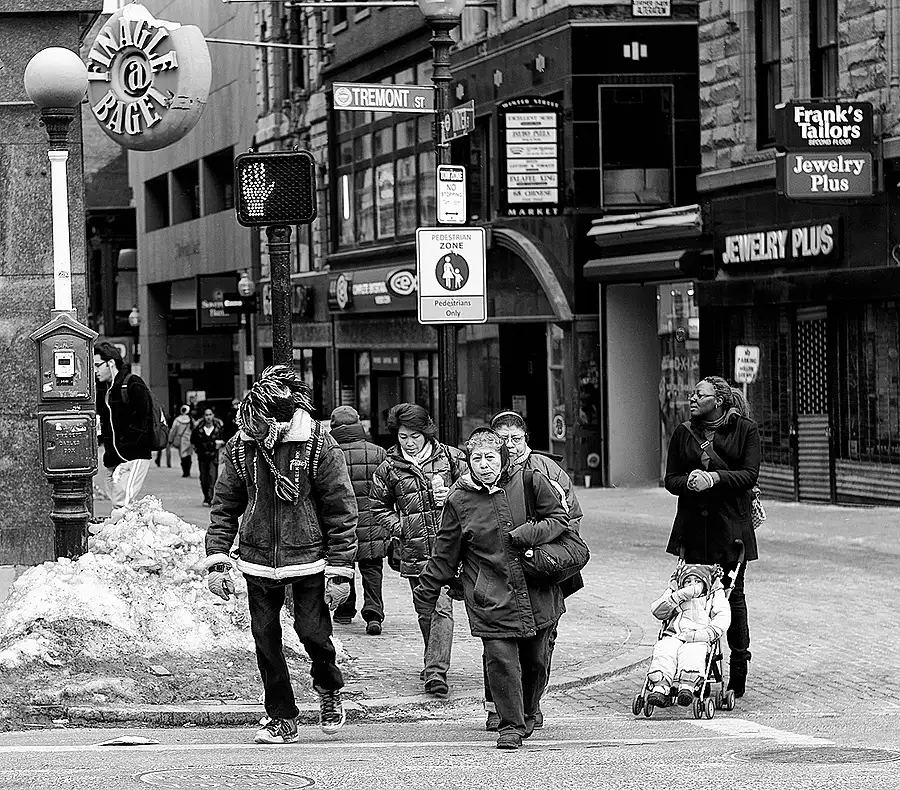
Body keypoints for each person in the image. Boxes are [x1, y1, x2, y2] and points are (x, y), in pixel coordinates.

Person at [205, 364, 358, 744]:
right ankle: (282, 716)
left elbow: (340, 508)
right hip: (256, 557)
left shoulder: (319, 445)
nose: (251, 432)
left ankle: (329, 687)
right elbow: (225, 505)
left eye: (259, 425)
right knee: (265, 638)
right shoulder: (239, 447)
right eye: (248, 425)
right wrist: (217, 560)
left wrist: (341, 570)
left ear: (279, 421)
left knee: (313, 634)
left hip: (308, 557)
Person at [413, 428, 568, 750]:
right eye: (476, 459)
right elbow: (445, 552)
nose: (484, 465)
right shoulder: (459, 500)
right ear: (468, 462)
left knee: (536, 662)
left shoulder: (530, 481)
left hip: (536, 589)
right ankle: (509, 725)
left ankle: (528, 710)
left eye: (490, 458)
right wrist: (426, 591)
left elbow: (559, 520)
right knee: (501, 661)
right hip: (490, 595)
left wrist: (527, 534)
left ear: (503, 458)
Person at [486, 409, 585, 732]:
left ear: (525, 438)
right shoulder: (486, 469)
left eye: (515, 438)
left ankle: (531, 703)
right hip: (501, 573)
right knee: (498, 643)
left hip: (544, 569)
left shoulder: (546, 469)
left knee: (541, 644)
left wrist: (547, 555)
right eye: (502, 439)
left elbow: (570, 519)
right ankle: (497, 708)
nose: (510, 445)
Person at [664, 374, 760, 699]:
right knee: (693, 598)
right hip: (693, 529)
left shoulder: (745, 430)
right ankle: (695, 670)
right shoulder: (683, 432)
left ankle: (738, 669)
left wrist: (714, 479)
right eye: (692, 394)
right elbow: (671, 479)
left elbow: (749, 475)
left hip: (731, 529)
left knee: (732, 596)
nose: (692, 399)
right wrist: (689, 482)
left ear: (717, 400)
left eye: (699, 394)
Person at [369, 403, 467, 696]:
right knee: (425, 610)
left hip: (450, 550)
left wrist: (451, 496)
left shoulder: (451, 458)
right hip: (414, 549)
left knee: (441, 608)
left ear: (427, 433)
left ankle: (436, 672)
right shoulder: (389, 467)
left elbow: (472, 491)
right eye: (403, 437)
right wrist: (401, 527)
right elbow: (377, 507)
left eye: (415, 436)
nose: (409, 442)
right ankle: (432, 660)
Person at [329, 405, 389, 634]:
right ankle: (374, 613)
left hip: (341, 521)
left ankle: (344, 609)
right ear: (358, 424)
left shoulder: (330, 453)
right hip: (373, 521)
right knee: (372, 568)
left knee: (344, 565)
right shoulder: (378, 452)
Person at [645, 563, 731, 708]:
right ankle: (660, 686)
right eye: (688, 581)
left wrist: (710, 632)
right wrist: (678, 596)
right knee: (664, 650)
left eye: (697, 581)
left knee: (692, 652)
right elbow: (657, 611)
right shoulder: (677, 594)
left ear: (705, 583)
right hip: (675, 634)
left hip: (699, 636)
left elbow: (723, 615)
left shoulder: (712, 595)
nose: (692, 584)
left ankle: (687, 686)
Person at [94, 340, 153, 508]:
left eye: (98, 365)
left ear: (111, 363)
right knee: (118, 504)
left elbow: (143, 420)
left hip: (132, 455)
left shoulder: (133, 383)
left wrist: (126, 446)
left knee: (122, 503)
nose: (95, 370)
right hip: (113, 458)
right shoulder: (103, 389)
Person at [192, 407, 225, 507]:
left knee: (212, 477)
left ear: (213, 416)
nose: (208, 417)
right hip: (202, 456)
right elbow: (194, 441)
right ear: (203, 416)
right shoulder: (198, 429)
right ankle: (206, 496)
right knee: (204, 478)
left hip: (213, 456)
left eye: (210, 415)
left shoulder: (218, 428)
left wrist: (220, 446)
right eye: (206, 415)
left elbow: (223, 440)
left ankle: (211, 498)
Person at [168, 405, 194, 478]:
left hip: (180, 439)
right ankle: (188, 471)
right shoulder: (190, 419)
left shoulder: (177, 419)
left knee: (182, 456)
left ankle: (185, 472)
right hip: (189, 440)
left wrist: (170, 439)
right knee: (188, 455)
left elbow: (173, 430)